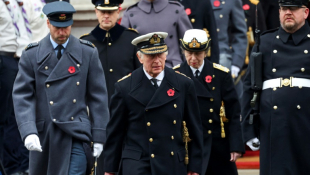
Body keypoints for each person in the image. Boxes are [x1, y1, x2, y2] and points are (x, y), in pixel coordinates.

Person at [12, 1, 109, 174]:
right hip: (44, 137)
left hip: (76, 134)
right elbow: (23, 96)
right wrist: (28, 130)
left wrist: (99, 135)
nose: (62, 32)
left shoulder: (87, 52)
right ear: (48, 23)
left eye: (66, 27)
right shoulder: (31, 55)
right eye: (57, 27)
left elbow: (98, 97)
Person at [103, 32, 203, 175]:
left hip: (172, 161)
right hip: (138, 163)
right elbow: (115, 132)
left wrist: (194, 166)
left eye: (160, 54)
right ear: (140, 57)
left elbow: (195, 128)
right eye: (151, 56)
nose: (157, 60)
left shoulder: (183, 84)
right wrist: (110, 169)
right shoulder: (125, 87)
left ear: (166, 55)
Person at [242, 0, 310, 174]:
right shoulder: (264, 42)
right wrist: (248, 130)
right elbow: (250, 87)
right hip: (273, 126)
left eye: (293, 9)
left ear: (306, 12)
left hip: (306, 124)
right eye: (284, 9)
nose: (288, 12)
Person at [174, 29, 244, 175]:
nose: (193, 58)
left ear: (206, 52)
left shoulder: (220, 75)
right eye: (189, 53)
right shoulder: (174, 75)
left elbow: (233, 112)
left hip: (216, 143)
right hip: (188, 144)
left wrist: (236, 145)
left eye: (198, 53)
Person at [80, 0, 140, 103]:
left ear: (118, 12)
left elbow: (140, 73)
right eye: (103, 12)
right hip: (96, 104)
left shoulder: (132, 39)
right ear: (96, 12)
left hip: (126, 102)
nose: (106, 16)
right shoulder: (86, 42)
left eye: (110, 12)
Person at [121, 0, 192, 68]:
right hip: (143, 71)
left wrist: (187, 70)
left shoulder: (176, 9)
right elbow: (124, 50)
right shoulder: (130, 13)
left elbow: (189, 45)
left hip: (174, 69)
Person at [211, 0, 247, 100]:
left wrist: (236, 63)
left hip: (222, 55)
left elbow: (240, 33)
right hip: (193, 55)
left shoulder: (231, 1)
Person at [0, 0, 19, 175]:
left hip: (11, 59)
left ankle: (10, 166)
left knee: (10, 116)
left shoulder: (11, 3)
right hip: (2, 59)